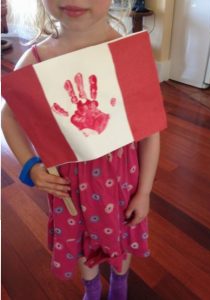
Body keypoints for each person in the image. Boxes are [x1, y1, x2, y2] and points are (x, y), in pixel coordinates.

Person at [2, 1, 164, 299]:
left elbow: (150, 132)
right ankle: (90, 287)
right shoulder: (35, 58)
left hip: (122, 178)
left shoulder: (129, 55)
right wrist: (31, 167)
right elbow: (7, 115)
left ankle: (119, 282)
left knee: (122, 233)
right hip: (71, 183)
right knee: (80, 239)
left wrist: (144, 193)